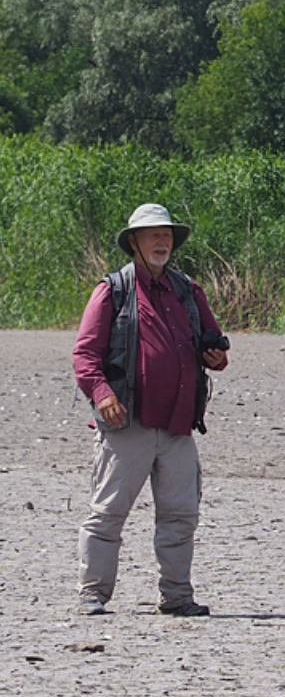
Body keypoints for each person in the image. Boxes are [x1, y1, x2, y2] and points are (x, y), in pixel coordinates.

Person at [73, 203, 229, 617]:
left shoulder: (188, 290)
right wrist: (103, 393)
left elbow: (213, 347)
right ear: (135, 243)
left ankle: (177, 598)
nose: (162, 242)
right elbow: (85, 356)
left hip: (179, 425)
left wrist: (214, 356)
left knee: (181, 517)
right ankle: (93, 594)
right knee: (107, 514)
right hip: (127, 422)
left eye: (167, 235)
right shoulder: (113, 290)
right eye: (152, 235)